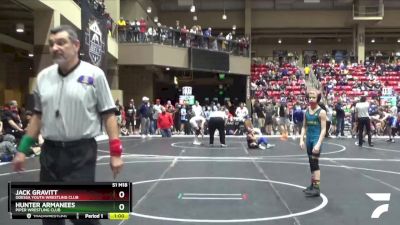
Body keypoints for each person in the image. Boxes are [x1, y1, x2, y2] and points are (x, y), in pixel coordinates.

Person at [12, 25, 124, 225]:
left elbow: (109, 115)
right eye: (52, 44)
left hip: (81, 153)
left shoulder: (94, 75)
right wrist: (22, 149)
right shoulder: (44, 77)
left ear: (76, 45)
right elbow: (37, 116)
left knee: (82, 216)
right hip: (50, 154)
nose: (55, 48)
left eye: (61, 42)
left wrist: (115, 153)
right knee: (51, 216)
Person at [299, 90, 327, 197]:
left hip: (316, 140)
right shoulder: (307, 110)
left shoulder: (321, 112)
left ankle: (317, 188)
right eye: (309, 97)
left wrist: (318, 143)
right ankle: (312, 184)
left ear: (318, 99)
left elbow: (324, 130)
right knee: (311, 162)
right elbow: (304, 126)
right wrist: (301, 139)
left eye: (313, 97)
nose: (311, 99)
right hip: (309, 140)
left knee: (315, 163)